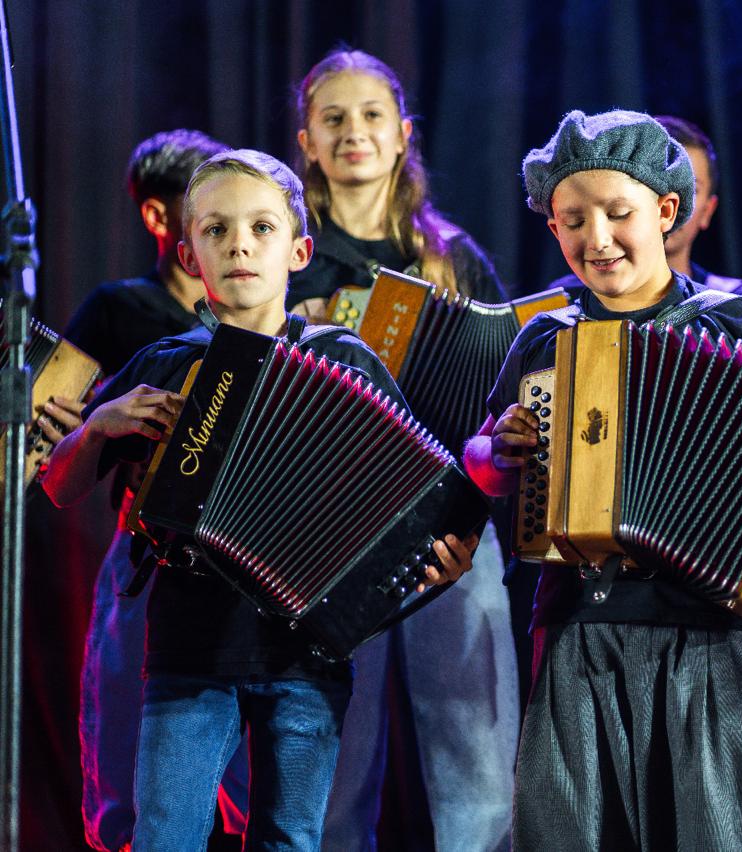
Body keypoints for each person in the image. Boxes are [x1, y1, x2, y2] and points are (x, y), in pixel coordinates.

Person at [464, 108, 742, 850]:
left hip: (709, 641)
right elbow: (484, 463)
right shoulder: (543, 337)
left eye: (617, 213)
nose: (596, 238)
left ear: (667, 210)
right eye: (572, 220)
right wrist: (494, 454)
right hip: (577, 631)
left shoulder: (733, 326)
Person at [42, 149, 475, 848]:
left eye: (261, 228)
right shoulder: (164, 364)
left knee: (290, 837)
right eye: (216, 231)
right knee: (164, 836)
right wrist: (96, 425)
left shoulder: (346, 359)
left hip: (306, 651)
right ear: (189, 254)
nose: (239, 243)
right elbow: (61, 487)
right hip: (188, 646)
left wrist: (447, 552)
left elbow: (423, 491)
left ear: (299, 249)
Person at [288, 48, 518, 852]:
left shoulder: (455, 260)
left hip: (451, 524)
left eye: (371, 116)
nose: (355, 132)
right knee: (333, 770)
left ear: (402, 135)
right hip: (328, 531)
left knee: (477, 764)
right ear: (307, 142)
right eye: (334, 119)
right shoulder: (286, 258)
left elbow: (504, 392)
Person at [59, 129, 254, 852]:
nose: (233, 235)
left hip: (245, 558)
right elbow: (62, 414)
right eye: (206, 213)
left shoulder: (256, 308)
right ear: (163, 222)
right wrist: (94, 421)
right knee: (127, 726)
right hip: (147, 547)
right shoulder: (124, 310)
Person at [545, 114, 742, 304]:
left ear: (707, 210)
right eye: (576, 221)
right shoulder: (562, 301)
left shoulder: (735, 306)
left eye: (691, 190)